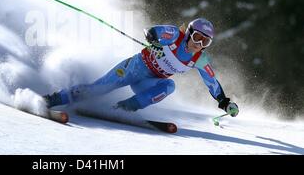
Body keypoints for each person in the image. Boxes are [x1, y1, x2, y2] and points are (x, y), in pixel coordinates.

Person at [43, 18, 239, 117]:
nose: (199, 44)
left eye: (206, 42)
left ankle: (122, 109)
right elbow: (153, 31)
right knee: (98, 89)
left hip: (148, 81)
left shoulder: (199, 59)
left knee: (169, 86)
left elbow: (211, 82)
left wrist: (223, 101)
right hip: (134, 68)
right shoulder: (174, 35)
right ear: (189, 33)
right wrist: (154, 39)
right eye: (197, 37)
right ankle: (54, 99)